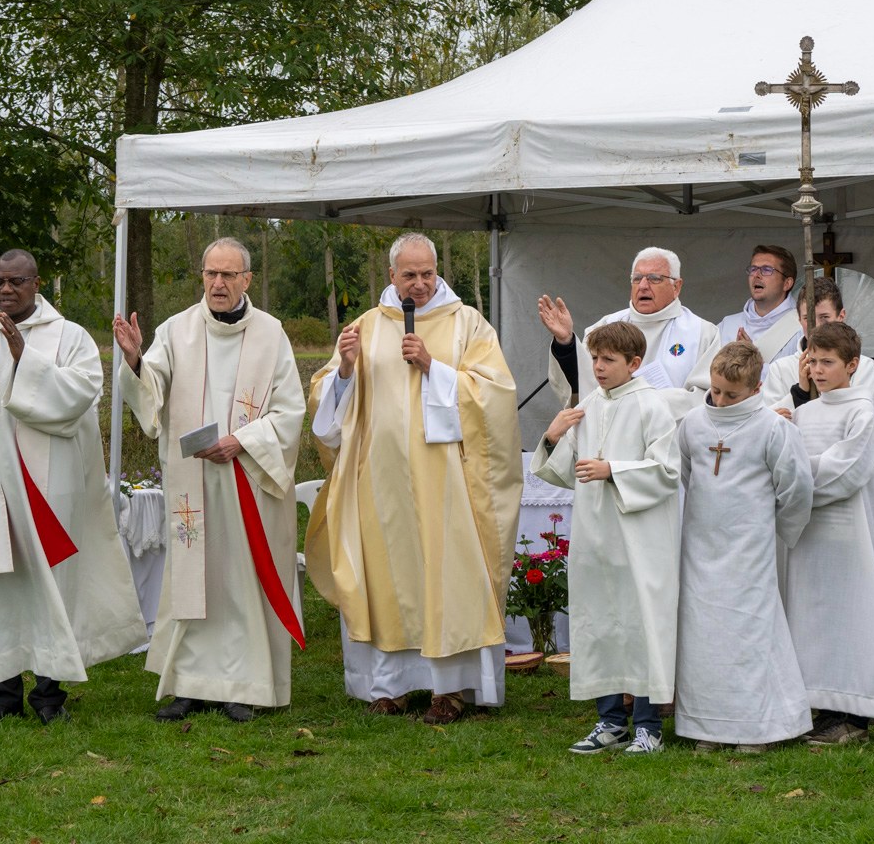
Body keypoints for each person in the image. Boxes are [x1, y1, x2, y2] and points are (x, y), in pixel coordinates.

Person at [304, 233, 520, 725]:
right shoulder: (365, 326)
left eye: (427, 274)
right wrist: (344, 369)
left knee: (447, 579)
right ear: (391, 276)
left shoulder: (468, 324)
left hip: (447, 483)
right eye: (409, 275)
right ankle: (391, 686)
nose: (419, 285)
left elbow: (495, 396)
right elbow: (326, 404)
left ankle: (451, 690)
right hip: (380, 483)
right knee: (387, 579)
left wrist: (433, 367)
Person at [0, 249, 144, 725]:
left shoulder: (69, 336)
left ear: (36, 283)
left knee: (52, 587)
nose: (5, 290)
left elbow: (82, 394)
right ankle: (2, 698)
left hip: (49, 487)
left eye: (16, 281)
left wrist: (27, 361)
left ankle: (49, 697)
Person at [113, 239, 306, 722]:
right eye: (210, 274)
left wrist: (241, 441)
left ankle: (246, 685)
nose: (218, 284)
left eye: (228, 275)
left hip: (249, 477)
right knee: (193, 580)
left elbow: (291, 411)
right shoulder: (177, 331)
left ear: (246, 279)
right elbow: (151, 393)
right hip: (193, 479)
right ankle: (188, 684)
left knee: (241, 582)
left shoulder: (272, 334)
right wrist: (136, 360)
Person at [531, 321, 679, 757]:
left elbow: (668, 471)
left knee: (640, 625)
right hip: (596, 535)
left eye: (608, 360)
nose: (597, 367)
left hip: (639, 538)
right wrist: (554, 435)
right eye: (594, 358)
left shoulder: (653, 406)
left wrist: (613, 469)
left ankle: (649, 726)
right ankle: (610, 721)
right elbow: (561, 470)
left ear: (634, 363)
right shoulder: (590, 405)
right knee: (600, 624)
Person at [673, 340, 813, 752]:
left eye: (730, 394)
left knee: (749, 633)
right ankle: (708, 725)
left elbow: (796, 488)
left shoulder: (772, 427)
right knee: (703, 634)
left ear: (756, 388)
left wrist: (779, 532)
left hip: (750, 545)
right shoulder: (693, 424)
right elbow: (688, 474)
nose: (720, 399)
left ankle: (756, 727)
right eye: (715, 390)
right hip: (701, 543)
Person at [781, 322, 874, 745]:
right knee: (812, 620)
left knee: (848, 618)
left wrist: (799, 475)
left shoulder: (861, 412)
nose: (817, 369)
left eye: (827, 362)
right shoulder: (802, 413)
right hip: (807, 531)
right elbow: (785, 459)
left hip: (845, 534)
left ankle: (854, 714)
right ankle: (823, 708)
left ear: (852, 365)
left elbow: (846, 471)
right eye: (812, 361)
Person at [536, 246, 717, 409]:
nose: (643, 286)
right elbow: (582, 385)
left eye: (654, 279)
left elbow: (707, 395)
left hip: (673, 437)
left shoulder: (702, 332)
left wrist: (639, 401)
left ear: (676, 286)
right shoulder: (606, 326)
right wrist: (565, 342)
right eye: (637, 278)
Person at [761, 276, 874, 415]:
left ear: (841, 316)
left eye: (824, 317)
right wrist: (799, 394)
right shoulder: (780, 370)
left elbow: (870, 417)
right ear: (799, 319)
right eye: (808, 318)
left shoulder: (864, 367)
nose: (817, 326)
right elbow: (768, 422)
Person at [688, 245, 804, 389]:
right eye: (753, 269)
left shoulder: (801, 327)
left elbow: (799, 382)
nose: (757, 275)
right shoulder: (727, 325)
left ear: (787, 283)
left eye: (767, 270)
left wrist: (753, 362)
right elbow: (705, 376)